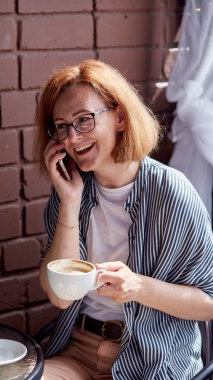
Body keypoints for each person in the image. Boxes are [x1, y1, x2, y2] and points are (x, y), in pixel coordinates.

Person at [36, 59, 213, 380]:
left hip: (154, 359)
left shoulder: (171, 192)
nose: (73, 138)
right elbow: (60, 297)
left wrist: (137, 288)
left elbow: (209, 302)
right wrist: (70, 202)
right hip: (78, 351)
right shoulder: (70, 191)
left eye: (84, 120)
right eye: (61, 126)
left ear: (119, 117)